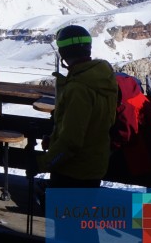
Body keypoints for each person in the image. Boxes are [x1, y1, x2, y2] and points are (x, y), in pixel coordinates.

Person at [37, 24, 118, 188]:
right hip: (93, 166)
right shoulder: (102, 76)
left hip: (73, 171)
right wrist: (54, 140)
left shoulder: (78, 88)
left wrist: (42, 164)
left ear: (63, 53)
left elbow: (71, 141)